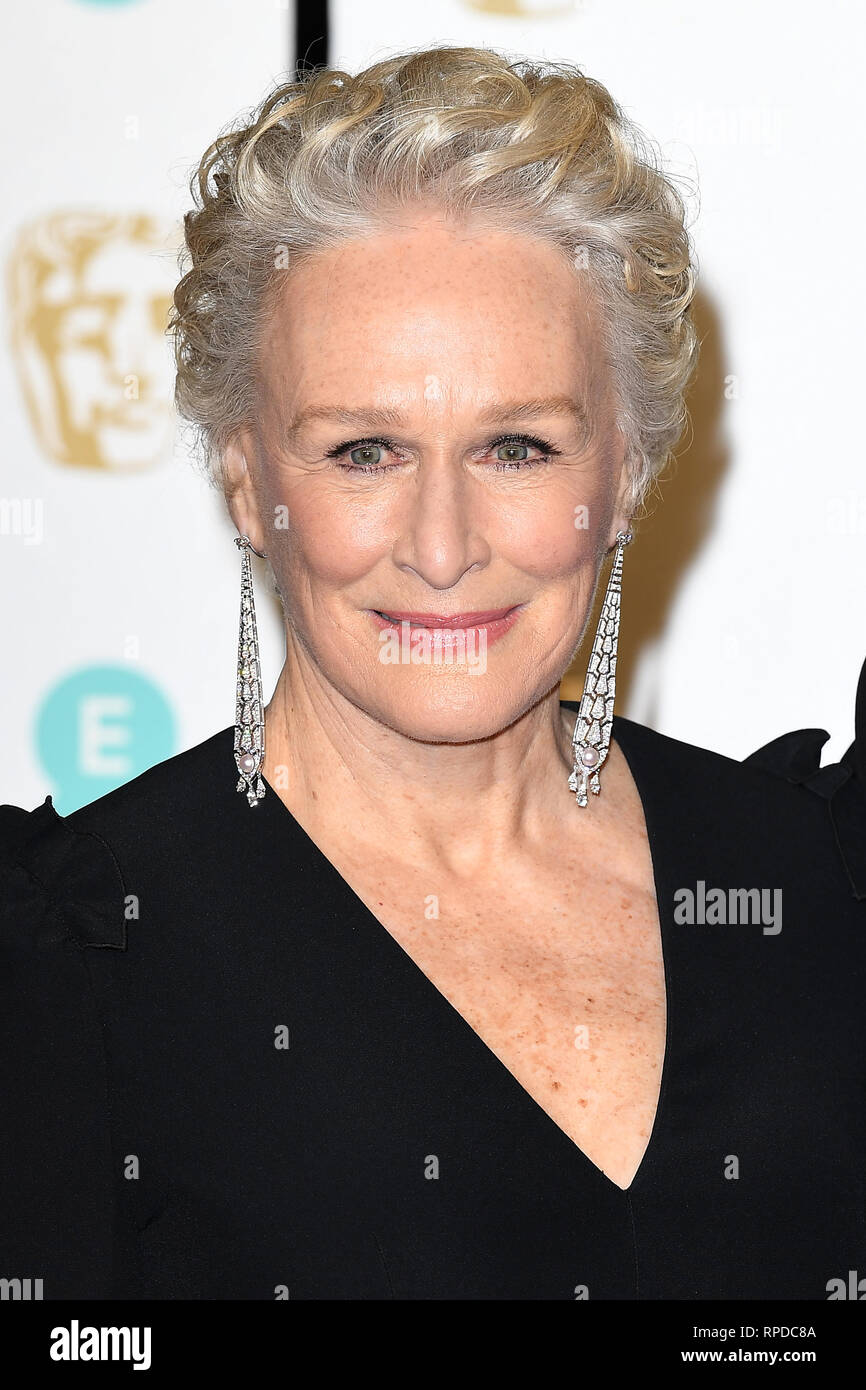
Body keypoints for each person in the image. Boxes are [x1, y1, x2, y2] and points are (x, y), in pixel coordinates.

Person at [2, 45, 864, 1301]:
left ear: (621, 470)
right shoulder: (73, 976)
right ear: (248, 480)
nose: (445, 546)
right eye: (363, 452)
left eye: (518, 446)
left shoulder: (812, 886)